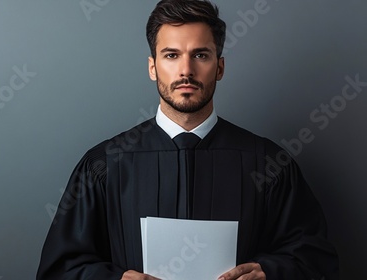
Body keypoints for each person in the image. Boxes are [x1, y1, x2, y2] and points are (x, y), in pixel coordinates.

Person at [37, 0, 339, 279]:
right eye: (171, 55)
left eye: (200, 55)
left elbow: (316, 260)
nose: (186, 70)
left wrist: (269, 272)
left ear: (219, 67)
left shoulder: (270, 164)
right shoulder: (104, 165)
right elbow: (59, 269)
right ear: (153, 67)